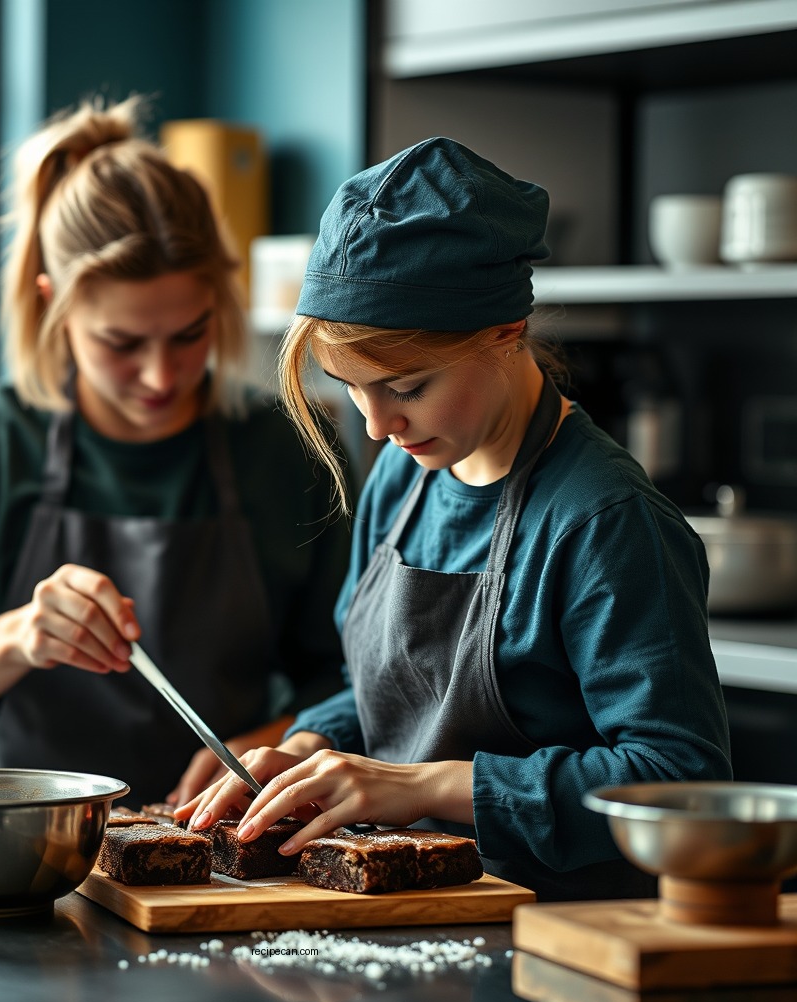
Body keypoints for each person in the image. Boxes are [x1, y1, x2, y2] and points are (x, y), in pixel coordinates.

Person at [181, 137, 733, 900]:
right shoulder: (404, 481)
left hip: (554, 937)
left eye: (406, 386)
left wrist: (431, 788)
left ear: (505, 331)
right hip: (407, 921)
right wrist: (312, 744)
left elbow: (678, 781)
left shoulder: (604, 520)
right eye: (353, 388)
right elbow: (384, 690)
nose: (377, 428)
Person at [0, 97, 352, 807]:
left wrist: (279, 740)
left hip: (222, 842)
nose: (160, 376)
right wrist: (18, 636)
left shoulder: (290, 448)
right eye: (121, 344)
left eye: (189, 333)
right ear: (53, 303)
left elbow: (357, 680)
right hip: (14, 846)